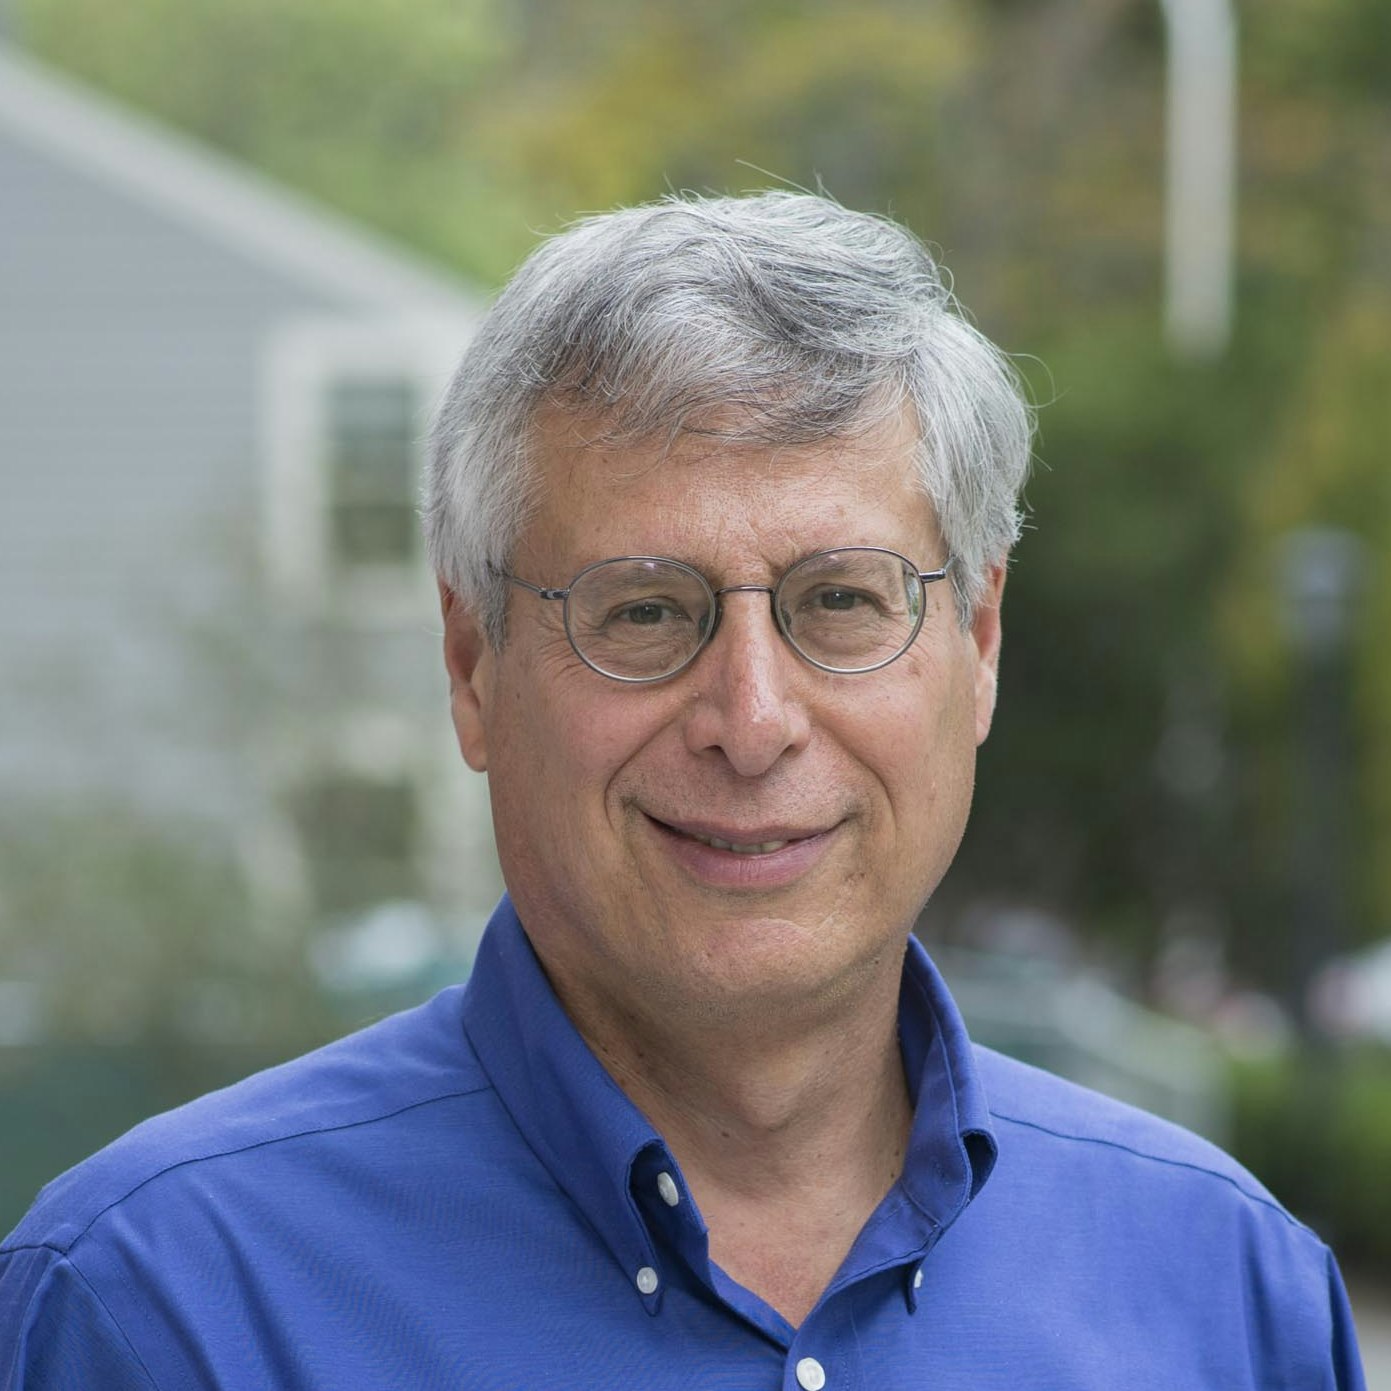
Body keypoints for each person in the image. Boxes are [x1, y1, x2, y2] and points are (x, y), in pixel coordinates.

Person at [0, 192, 1365, 1389]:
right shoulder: (157, 1312)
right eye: (645, 613)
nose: (752, 721)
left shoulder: (1227, 1299)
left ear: (981, 645)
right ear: (476, 667)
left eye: (841, 601)